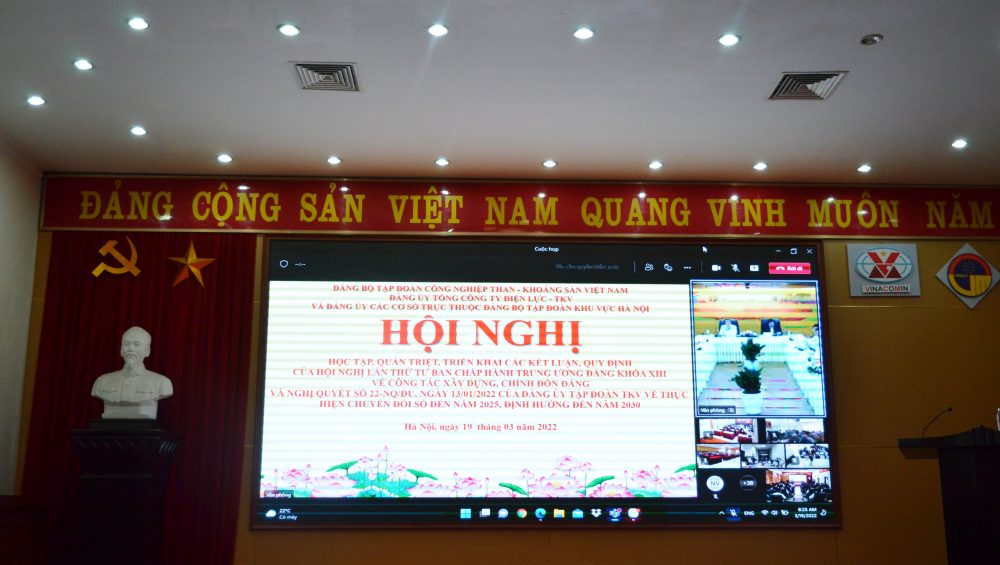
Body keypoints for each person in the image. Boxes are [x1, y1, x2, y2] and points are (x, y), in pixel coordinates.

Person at [92, 326, 173, 419]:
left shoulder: (161, 383)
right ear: (121, 350)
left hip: (143, 427)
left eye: (136, 344)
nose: (131, 348)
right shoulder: (102, 381)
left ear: (147, 351)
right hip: (110, 426)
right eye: (126, 344)